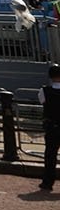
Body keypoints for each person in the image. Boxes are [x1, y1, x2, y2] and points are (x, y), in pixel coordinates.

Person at [39, 63, 60, 193]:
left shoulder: (44, 91)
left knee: (50, 156)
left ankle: (48, 182)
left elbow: (43, 103)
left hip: (52, 127)